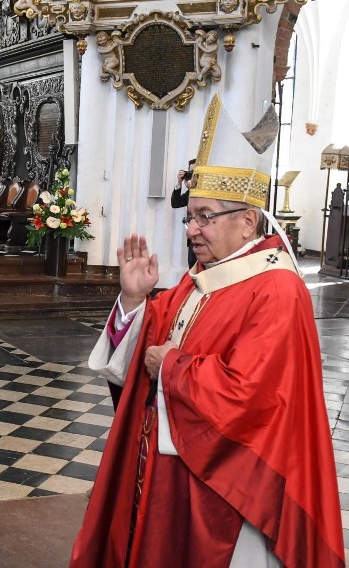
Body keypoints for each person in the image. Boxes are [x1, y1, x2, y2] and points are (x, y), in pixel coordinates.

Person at [70, 94, 344, 567]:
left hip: (228, 489)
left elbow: (251, 397)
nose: (192, 229)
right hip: (172, 468)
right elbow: (153, 339)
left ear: (248, 221)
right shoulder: (203, 276)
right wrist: (136, 300)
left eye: (205, 216)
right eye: (189, 216)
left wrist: (171, 367)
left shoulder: (276, 289)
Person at [171, 158, 197, 266]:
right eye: (190, 173)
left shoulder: (207, 192)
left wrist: (194, 190)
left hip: (205, 239)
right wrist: (179, 183)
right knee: (191, 266)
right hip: (192, 239)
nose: (192, 176)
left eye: (195, 173)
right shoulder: (189, 193)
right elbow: (176, 203)